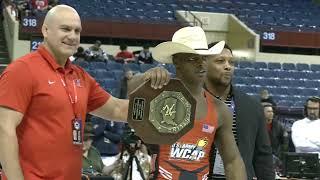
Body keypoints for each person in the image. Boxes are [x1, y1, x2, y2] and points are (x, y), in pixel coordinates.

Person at [0, 5, 170, 180]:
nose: (73, 36)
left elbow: (117, 110)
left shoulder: (80, 77)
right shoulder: (22, 70)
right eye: (65, 29)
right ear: (45, 30)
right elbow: (4, 129)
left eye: (77, 31)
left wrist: (162, 106)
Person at [146, 26, 247, 179]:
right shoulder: (155, 95)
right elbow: (128, 94)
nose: (201, 64)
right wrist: (143, 78)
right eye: (193, 58)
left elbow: (233, 161)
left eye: (204, 58)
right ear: (176, 61)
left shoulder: (220, 110)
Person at [204, 42, 274, 179]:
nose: (227, 66)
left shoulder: (252, 106)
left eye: (231, 62)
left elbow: (263, 156)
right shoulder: (192, 101)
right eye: (220, 61)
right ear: (204, 64)